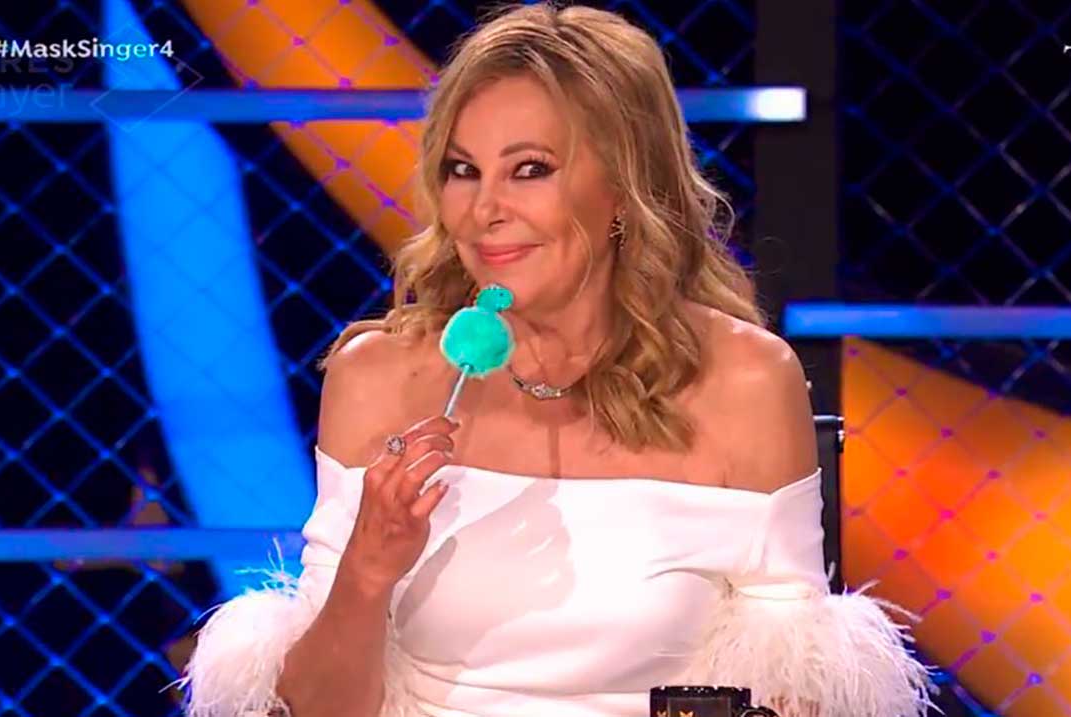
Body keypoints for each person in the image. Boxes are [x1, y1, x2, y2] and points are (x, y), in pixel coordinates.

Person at [175, 3, 938, 716]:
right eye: (463, 170)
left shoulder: (744, 381)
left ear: (623, 189)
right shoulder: (379, 377)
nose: (485, 210)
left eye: (530, 168)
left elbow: (797, 693)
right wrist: (367, 572)